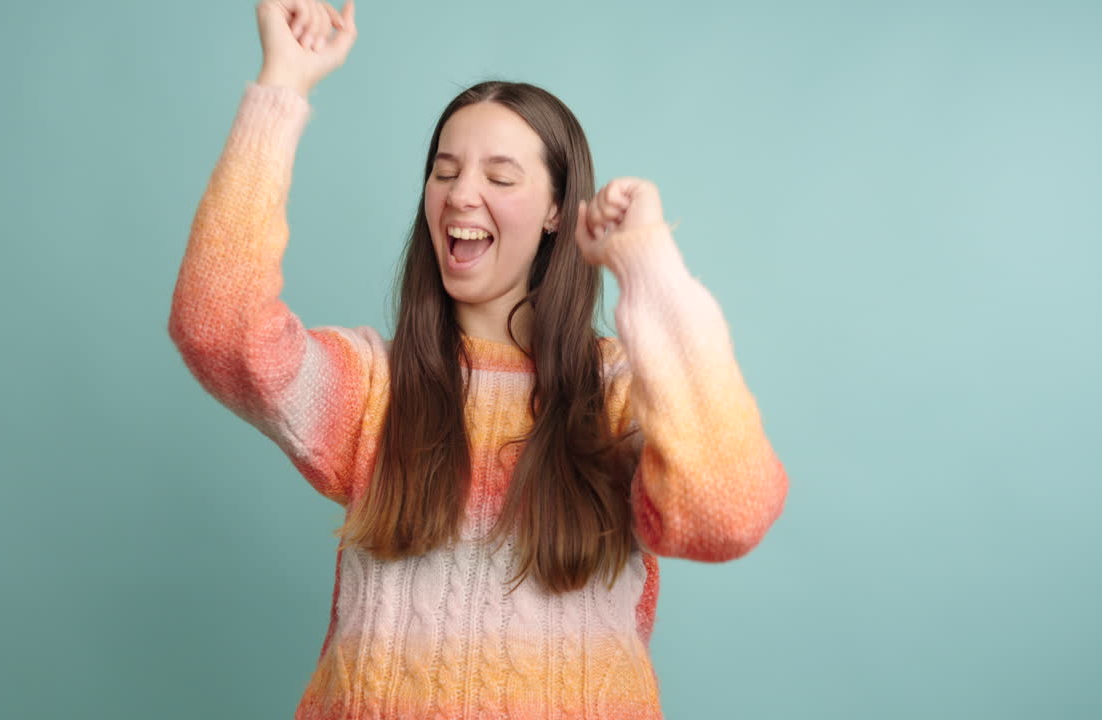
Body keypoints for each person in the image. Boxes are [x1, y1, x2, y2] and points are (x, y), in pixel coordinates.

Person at [167, 1, 790, 718]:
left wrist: (648, 267)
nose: (462, 193)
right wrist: (283, 85)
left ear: (559, 209)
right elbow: (215, 328)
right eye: (444, 170)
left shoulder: (617, 393)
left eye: (500, 177)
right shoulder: (376, 387)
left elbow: (729, 515)